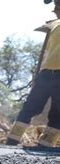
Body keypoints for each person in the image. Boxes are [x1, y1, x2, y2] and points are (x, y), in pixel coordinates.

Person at [6, 1, 60, 147]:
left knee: (51, 111)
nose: (56, 12)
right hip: (47, 74)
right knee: (36, 108)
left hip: (51, 75)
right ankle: (16, 141)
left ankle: (41, 144)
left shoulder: (54, 26)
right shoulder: (55, 26)